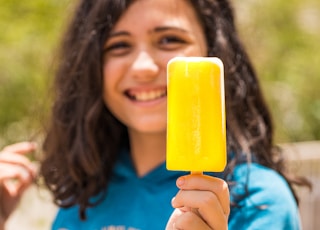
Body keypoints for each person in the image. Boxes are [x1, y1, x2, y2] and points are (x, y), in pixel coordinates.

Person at [0, 0, 310, 229]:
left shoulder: (259, 201)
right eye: (119, 46)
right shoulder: (85, 198)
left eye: (169, 40)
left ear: (216, 53)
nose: (143, 67)